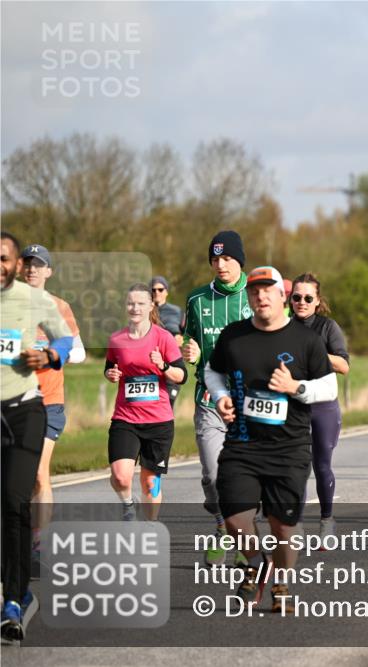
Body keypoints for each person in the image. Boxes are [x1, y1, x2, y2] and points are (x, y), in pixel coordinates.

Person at [206, 266, 336, 612]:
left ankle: (282, 582)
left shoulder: (306, 340)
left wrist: (295, 387)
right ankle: (255, 562)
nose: (261, 296)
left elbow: (329, 387)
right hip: (242, 443)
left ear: (282, 296)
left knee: (284, 526)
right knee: (235, 517)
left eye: (268, 290)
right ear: (249, 297)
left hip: (288, 448)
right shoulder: (234, 336)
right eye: (254, 291)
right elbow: (212, 370)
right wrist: (220, 396)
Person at [1, 231, 73, 644]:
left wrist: (49, 354)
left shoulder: (36, 300)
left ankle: (15, 598)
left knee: (14, 499)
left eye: (4, 258)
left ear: (16, 265)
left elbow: (64, 337)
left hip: (25, 411)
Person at [182, 230, 252, 565]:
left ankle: (242, 539)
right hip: (209, 399)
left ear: (240, 261)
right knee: (213, 475)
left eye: (227, 258)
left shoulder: (256, 295)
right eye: (215, 259)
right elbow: (189, 340)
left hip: (249, 402)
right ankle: (223, 525)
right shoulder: (197, 299)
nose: (220, 265)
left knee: (245, 477)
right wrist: (190, 351)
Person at [19, 244, 86, 579]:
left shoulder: (60, 307)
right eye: (28, 264)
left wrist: (51, 352)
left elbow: (80, 353)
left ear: (49, 271)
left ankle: (39, 542)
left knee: (38, 473)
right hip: (14, 401)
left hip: (48, 401)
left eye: (39, 265)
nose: (32, 269)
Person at [104, 284, 186, 521]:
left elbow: (181, 375)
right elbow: (110, 368)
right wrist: (111, 375)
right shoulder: (116, 339)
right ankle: (128, 505)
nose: (135, 308)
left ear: (151, 306)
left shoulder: (164, 337)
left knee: (150, 483)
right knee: (120, 477)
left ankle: (149, 526)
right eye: (131, 303)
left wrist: (163, 366)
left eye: (140, 303)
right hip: (125, 418)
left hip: (158, 421)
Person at [290, 273, 350, 542]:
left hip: (323, 406)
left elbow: (344, 366)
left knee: (321, 465)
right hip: (294, 407)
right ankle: (296, 525)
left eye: (307, 298)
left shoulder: (327, 327)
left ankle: (327, 520)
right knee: (297, 467)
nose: (301, 302)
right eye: (296, 297)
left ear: (317, 301)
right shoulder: (283, 327)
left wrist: (315, 352)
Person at [151, 276, 184, 408]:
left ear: (166, 292)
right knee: (150, 406)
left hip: (171, 363)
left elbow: (189, 334)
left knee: (168, 405)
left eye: (160, 289)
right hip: (150, 365)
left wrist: (182, 339)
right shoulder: (143, 312)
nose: (157, 292)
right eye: (153, 290)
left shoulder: (177, 311)